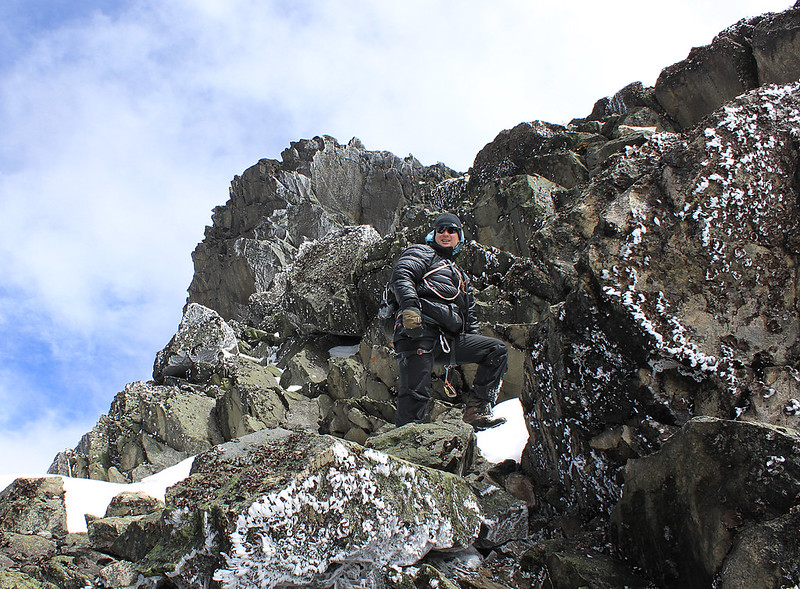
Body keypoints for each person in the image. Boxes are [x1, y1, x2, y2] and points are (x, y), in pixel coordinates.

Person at [390, 212, 508, 429]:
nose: (445, 234)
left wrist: (470, 349)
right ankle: (402, 444)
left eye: (451, 230)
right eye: (441, 229)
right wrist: (410, 308)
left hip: (448, 339)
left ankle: (477, 410)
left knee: (496, 351)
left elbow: (469, 316)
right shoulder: (421, 252)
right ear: (433, 234)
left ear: (459, 236)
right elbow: (403, 274)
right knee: (416, 392)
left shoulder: (461, 276)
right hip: (418, 330)